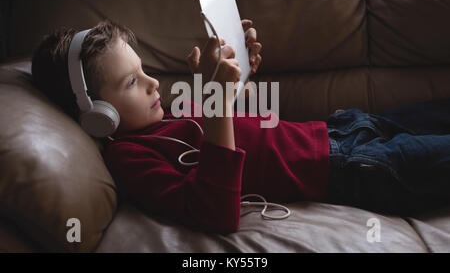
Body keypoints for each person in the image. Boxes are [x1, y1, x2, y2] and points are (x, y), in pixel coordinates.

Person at [31, 20, 450, 234]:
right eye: (132, 82)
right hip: (350, 168)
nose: (153, 82)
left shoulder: (162, 116)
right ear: (97, 114)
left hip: (339, 127)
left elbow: (240, 124)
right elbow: (214, 211)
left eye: (143, 71)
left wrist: (222, 76)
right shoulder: (131, 157)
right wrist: (216, 109)